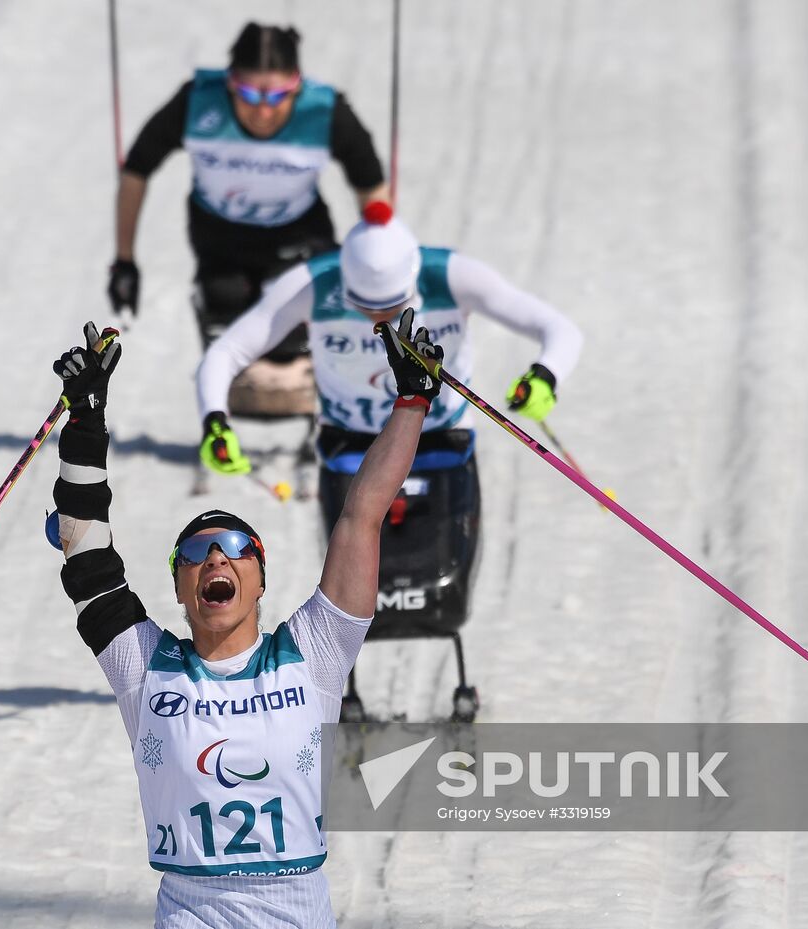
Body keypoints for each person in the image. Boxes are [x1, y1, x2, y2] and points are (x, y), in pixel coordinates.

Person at [50, 314, 442, 927]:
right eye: (194, 554)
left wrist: (412, 403)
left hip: (296, 911)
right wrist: (84, 423)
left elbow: (362, 514)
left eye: (234, 547)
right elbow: (89, 561)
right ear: (181, 586)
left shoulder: (314, 650)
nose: (214, 558)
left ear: (260, 579)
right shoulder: (146, 666)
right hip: (190, 913)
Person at [193, 201, 584, 720]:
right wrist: (214, 421)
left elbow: (560, 329)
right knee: (353, 572)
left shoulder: (453, 275)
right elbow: (227, 352)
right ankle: (346, 670)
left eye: (392, 305)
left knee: (443, 572)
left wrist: (545, 376)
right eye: (363, 306)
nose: (378, 318)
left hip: (439, 442)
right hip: (352, 449)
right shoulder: (314, 283)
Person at [108, 22, 388, 416]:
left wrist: (379, 260)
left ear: (296, 85)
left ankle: (309, 385)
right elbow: (137, 170)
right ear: (229, 83)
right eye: (247, 93)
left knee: (295, 313)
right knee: (226, 309)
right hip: (221, 237)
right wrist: (125, 261)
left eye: (277, 94)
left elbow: (371, 186)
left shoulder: (324, 112)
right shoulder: (197, 103)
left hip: (299, 232)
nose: (263, 109)